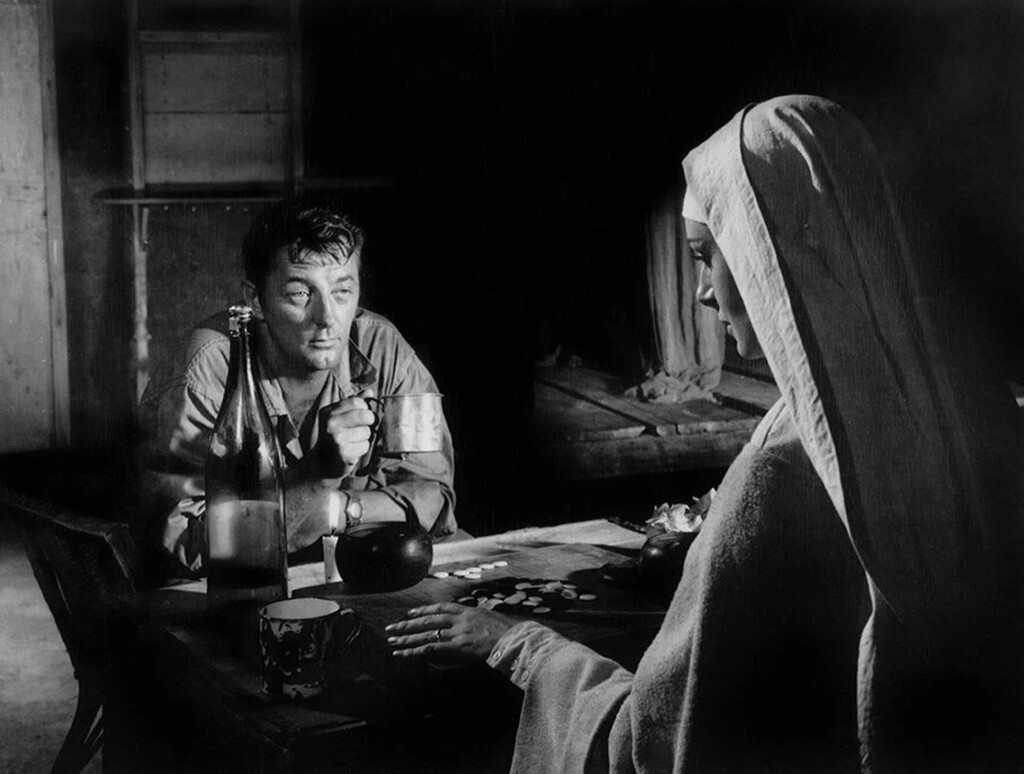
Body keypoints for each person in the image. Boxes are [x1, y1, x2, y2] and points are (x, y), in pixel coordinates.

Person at [386, 96, 1024, 772]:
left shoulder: (780, 473)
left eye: (705, 256)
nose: (701, 294)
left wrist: (521, 647)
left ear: (770, 250)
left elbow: (657, 743)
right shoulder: (973, 402)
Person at [136, 202, 457, 574]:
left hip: (347, 573)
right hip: (236, 587)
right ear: (255, 299)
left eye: (342, 291)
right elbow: (192, 545)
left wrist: (334, 510)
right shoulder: (207, 372)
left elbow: (435, 500)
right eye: (300, 294)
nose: (327, 318)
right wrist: (316, 474)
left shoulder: (384, 349)